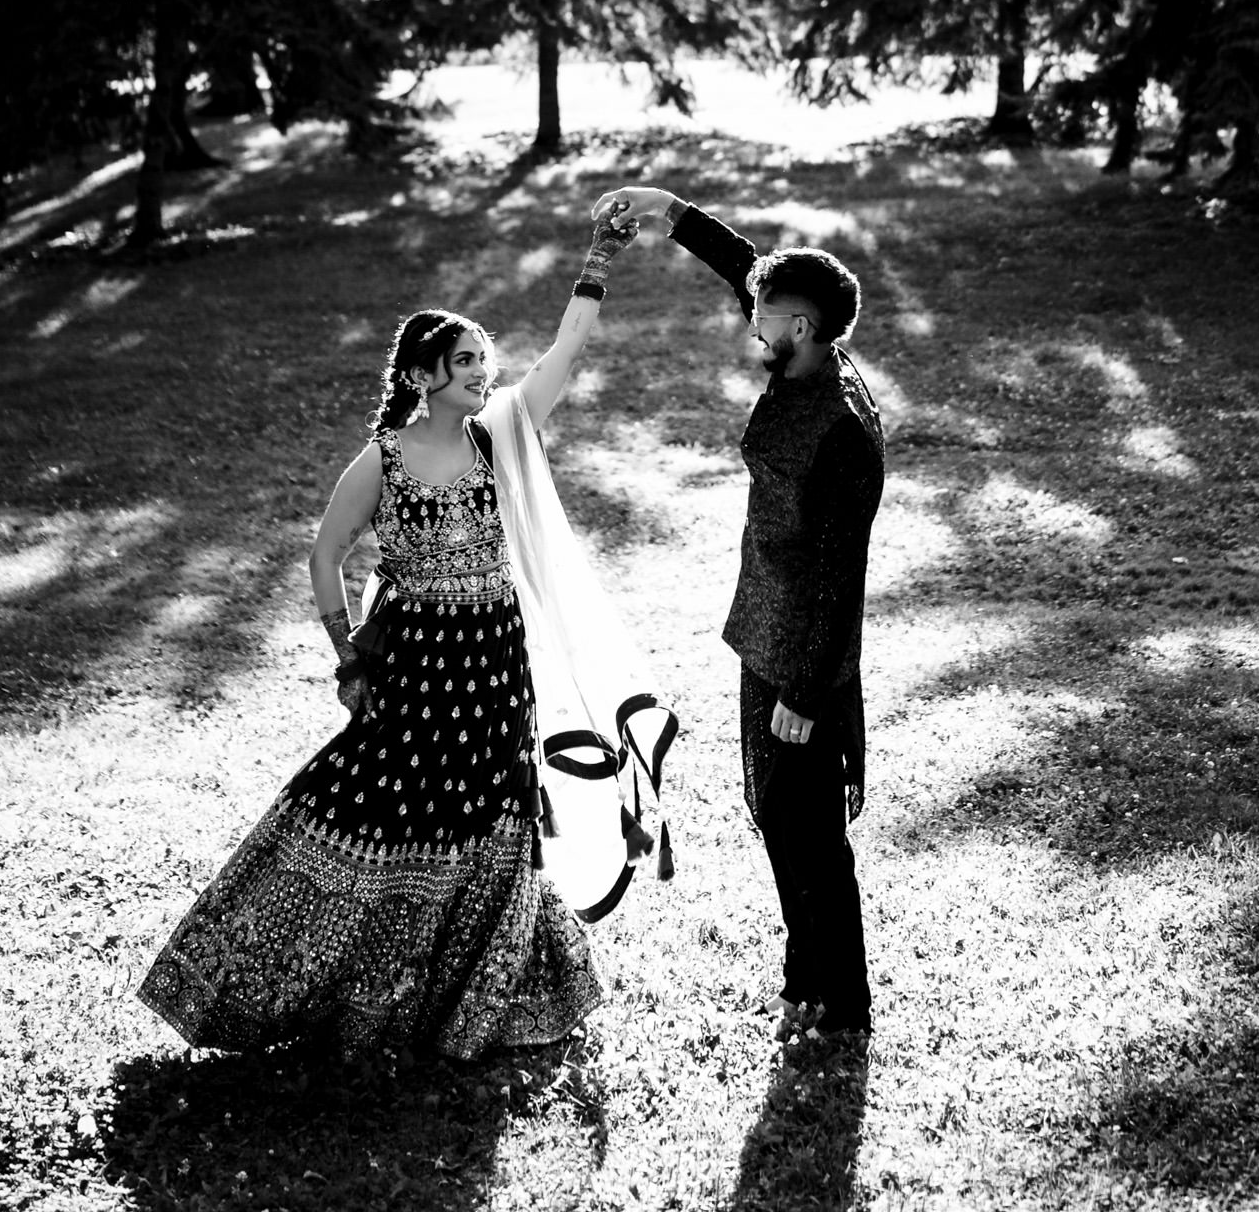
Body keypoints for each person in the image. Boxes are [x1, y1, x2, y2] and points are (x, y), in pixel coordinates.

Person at [138, 199, 673, 1063]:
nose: (481, 374)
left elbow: (563, 354)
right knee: (379, 800)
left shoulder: (500, 437)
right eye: (464, 361)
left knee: (493, 808)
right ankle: (304, 979)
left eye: (484, 361)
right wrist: (346, 654)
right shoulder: (383, 459)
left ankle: (478, 997)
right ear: (422, 375)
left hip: (493, 657)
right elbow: (325, 555)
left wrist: (597, 263)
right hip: (417, 660)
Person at [593, 184, 884, 1047]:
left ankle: (840, 1002)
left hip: (802, 662)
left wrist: (803, 690)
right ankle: (807, 982)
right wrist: (670, 211)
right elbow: (748, 269)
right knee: (782, 827)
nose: (750, 324)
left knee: (810, 839)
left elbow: (839, 577)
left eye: (763, 318)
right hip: (764, 634)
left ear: (799, 325)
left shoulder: (840, 427)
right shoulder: (806, 353)